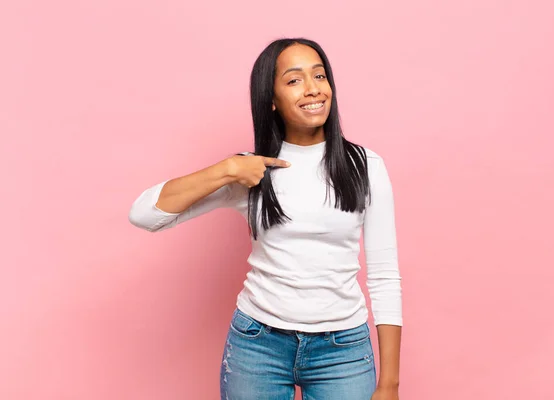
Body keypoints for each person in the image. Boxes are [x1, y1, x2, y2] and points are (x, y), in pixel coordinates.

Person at [128, 38, 403, 400]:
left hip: (343, 350)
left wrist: (389, 383)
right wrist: (227, 168)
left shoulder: (364, 166)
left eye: (319, 76)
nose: (312, 89)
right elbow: (144, 214)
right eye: (294, 80)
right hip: (258, 345)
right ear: (271, 99)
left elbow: (384, 275)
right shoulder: (248, 171)